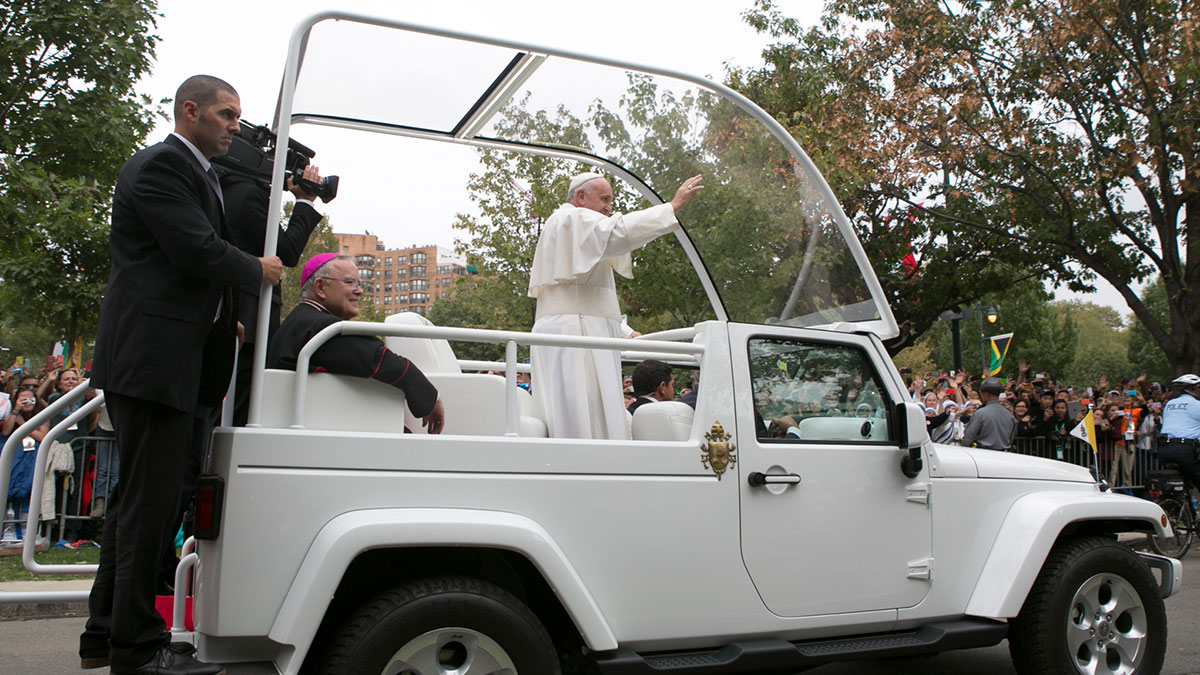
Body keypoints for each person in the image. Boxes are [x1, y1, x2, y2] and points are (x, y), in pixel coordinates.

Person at [81, 75, 284, 675]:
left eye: (237, 116)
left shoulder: (198, 174)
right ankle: (137, 649)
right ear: (189, 110)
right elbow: (194, 249)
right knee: (150, 504)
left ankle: (106, 632)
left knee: (137, 503)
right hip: (152, 359)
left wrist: (226, 321)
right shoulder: (162, 166)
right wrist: (257, 270)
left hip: (170, 358)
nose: (233, 126)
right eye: (225, 114)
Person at [527, 171, 704, 439]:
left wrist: (626, 333)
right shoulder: (571, 218)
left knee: (578, 413)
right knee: (584, 418)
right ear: (581, 196)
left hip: (577, 327)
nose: (609, 208)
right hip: (577, 335)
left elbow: (587, 297)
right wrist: (672, 207)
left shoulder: (569, 224)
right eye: (604, 199)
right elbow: (619, 231)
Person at [268, 253, 444, 432]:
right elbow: (378, 360)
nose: (359, 291)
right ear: (320, 287)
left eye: (359, 284)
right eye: (350, 282)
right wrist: (430, 398)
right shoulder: (320, 327)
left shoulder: (302, 319)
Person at [221, 164, 326, 426]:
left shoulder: (222, 190)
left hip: (231, 312)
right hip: (249, 319)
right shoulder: (248, 195)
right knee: (243, 407)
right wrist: (304, 200)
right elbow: (286, 251)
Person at [1159, 374, 1200, 490]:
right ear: (1191, 389)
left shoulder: (1169, 404)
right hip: (1185, 450)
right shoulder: (1197, 405)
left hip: (1165, 449)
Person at [962, 377, 1016, 451]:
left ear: (987, 394)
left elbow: (968, 437)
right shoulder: (1009, 415)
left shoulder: (980, 413)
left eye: (981, 393)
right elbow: (1011, 437)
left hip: (984, 455)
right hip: (1004, 455)